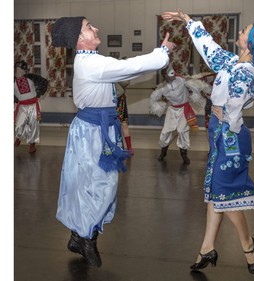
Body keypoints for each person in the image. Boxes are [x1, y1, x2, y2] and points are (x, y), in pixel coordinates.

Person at [162, 10, 254, 274]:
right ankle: (207, 247)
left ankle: (248, 245)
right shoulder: (232, 62)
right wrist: (187, 20)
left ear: (251, 43)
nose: (239, 33)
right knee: (215, 193)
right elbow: (209, 49)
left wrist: (222, 116)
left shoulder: (246, 72)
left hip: (230, 136)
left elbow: (235, 108)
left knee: (223, 194)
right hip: (220, 132)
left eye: (244, 31)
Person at [51, 16, 175, 267]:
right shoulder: (91, 64)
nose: (95, 28)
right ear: (79, 38)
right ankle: (85, 238)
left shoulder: (90, 62)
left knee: (89, 185)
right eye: (89, 27)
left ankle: (80, 236)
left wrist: (156, 60)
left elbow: (129, 71)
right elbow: (129, 66)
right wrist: (161, 53)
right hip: (92, 132)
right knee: (100, 185)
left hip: (96, 130)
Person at [149, 65, 200, 165]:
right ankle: (163, 151)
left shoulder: (181, 80)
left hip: (184, 109)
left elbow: (195, 86)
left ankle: (184, 154)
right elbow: (153, 99)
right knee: (166, 131)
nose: (173, 77)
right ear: (165, 76)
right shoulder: (162, 88)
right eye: (170, 76)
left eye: (173, 75)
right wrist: (159, 106)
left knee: (182, 130)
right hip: (172, 109)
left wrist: (193, 94)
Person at [14, 60, 48, 153]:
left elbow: (44, 82)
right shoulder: (12, 80)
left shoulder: (32, 77)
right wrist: (15, 99)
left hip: (33, 105)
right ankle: (18, 137)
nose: (19, 71)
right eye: (17, 69)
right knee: (19, 124)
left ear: (25, 70)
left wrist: (39, 93)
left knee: (33, 125)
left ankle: (32, 144)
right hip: (21, 106)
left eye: (20, 69)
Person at [115, 79, 134, 154]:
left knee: (124, 123)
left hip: (120, 99)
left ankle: (129, 147)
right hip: (108, 100)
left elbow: (126, 82)